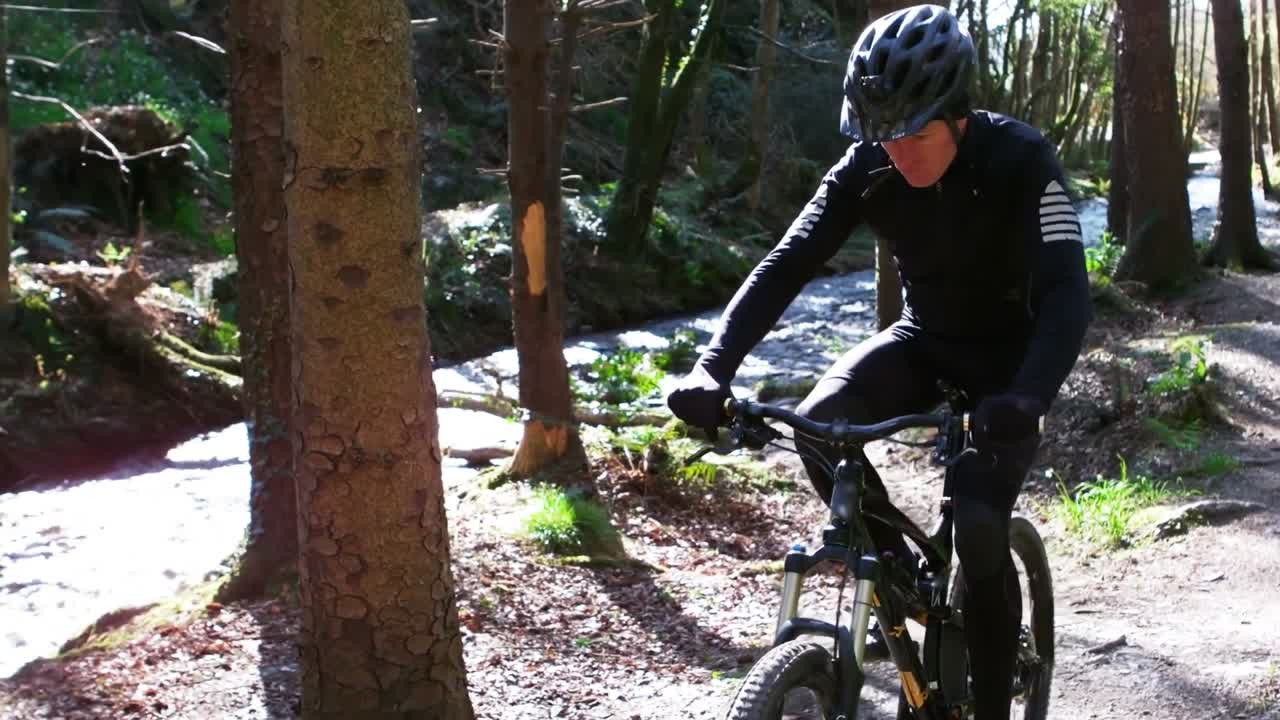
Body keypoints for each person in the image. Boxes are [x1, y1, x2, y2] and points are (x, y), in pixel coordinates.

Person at [666, 4, 1091, 718]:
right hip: (924, 340)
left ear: (957, 114)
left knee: (983, 526)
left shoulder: (1022, 159)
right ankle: (901, 577)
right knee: (819, 423)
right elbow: (787, 263)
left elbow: (1067, 295)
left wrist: (1030, 397)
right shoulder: (868, 166)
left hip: (1009, 367)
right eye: (881, 134)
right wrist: (714, 365)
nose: (897, 151)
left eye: (913, 132)